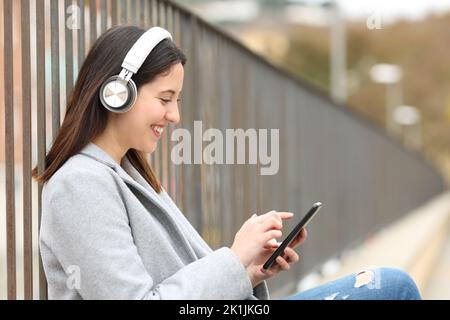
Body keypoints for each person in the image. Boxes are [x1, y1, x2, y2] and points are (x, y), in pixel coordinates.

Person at [33, 26, 421, 300]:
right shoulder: (79, 185)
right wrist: (235, 258)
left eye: (177, 102)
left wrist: (250, 269)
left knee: (389, 287)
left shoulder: (128, 176)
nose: (174, 116)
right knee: (391, 289)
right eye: (165, 99)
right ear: (117, 93)